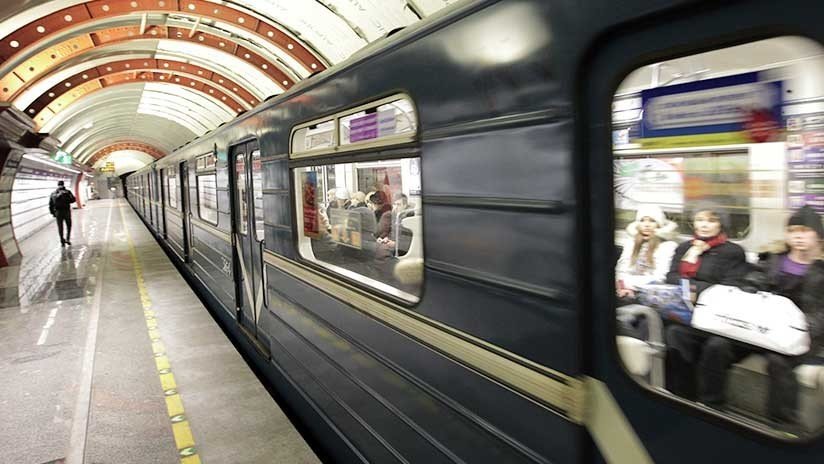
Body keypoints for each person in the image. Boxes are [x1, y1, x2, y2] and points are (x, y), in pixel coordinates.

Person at [689, 206, 824, 426]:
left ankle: (782, 425)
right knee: (717, 345)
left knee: (778, 361)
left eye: (805, 231)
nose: (798, 236)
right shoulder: (772, 260)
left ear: (818, 235)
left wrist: (802, 326)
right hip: (760, 327)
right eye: (793, 230)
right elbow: (751, 281)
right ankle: (711, 406)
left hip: (799, 334)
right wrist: (751, 288)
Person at [664, 203, 749, 401]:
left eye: (711, 220)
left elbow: (732, 285)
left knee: (716, 346)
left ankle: (712, 403)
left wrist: (695, 289)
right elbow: (671, 276)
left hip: (720, 318)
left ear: (721, 225)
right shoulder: (685, 248)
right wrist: (690, 288)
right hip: (688, 314)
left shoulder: (733, 252)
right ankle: (683, 397)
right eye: (700, 220)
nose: (704, 225)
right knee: (674, 334)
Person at [615, 204, 678, 301]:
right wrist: (622, 286)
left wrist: (627, 284)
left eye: (652, 221)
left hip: (650, 294)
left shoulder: (668, 246)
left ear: (659, 225)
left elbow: (659, 278)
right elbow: (621, 270)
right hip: (623, 289)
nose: (646, 225)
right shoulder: (631, 243)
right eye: (642, 220)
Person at [49, 180, 76, 246]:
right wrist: (67, 196)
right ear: (64, 185)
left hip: (58, 212)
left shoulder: (53, 193)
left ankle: (62, 241)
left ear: (58, 185)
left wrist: (53, 213)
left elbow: (50, 204)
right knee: (69, 225)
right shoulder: (67, 192)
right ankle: (67, 239)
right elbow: (73, 200)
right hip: (66, 211)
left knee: (60, 227)